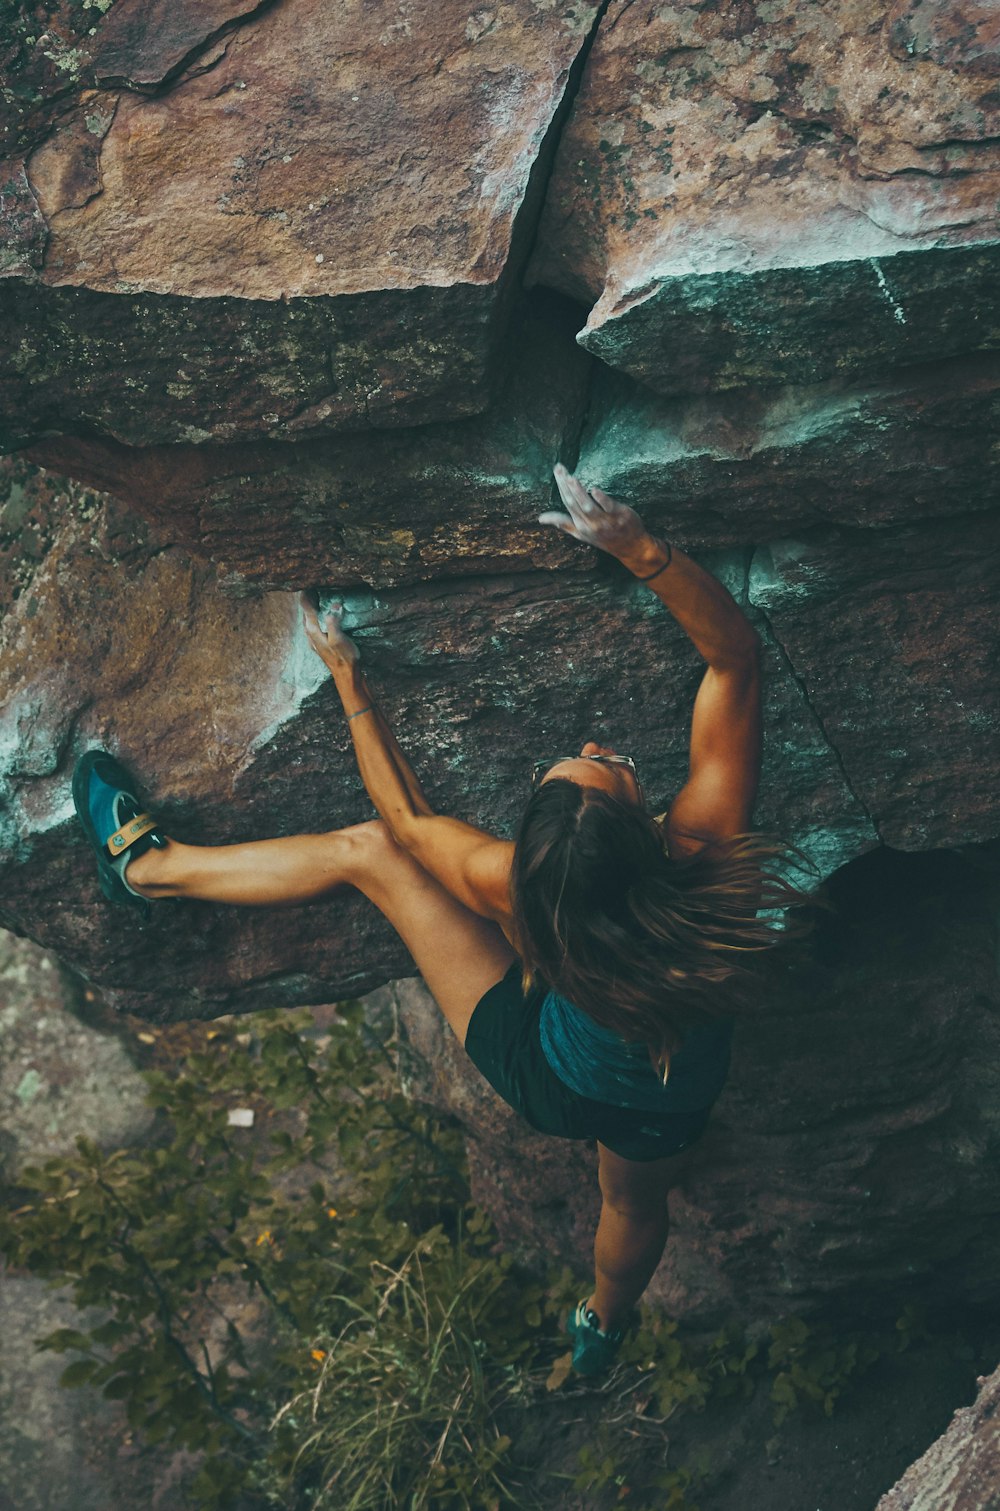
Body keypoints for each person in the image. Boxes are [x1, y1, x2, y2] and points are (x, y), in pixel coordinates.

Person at [74, 465, 784, 1376]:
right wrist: (637, 547)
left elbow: (404, 825)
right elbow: (735, 659)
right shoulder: (709, 857)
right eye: (602, 763)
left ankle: (153, 869)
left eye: (590, 763)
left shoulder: (515, 889)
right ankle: (601, 1329)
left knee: (370, 853)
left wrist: (348, 679)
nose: (596, 747)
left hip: (548, 1070)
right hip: (659, 1094)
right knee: (636, 1206)